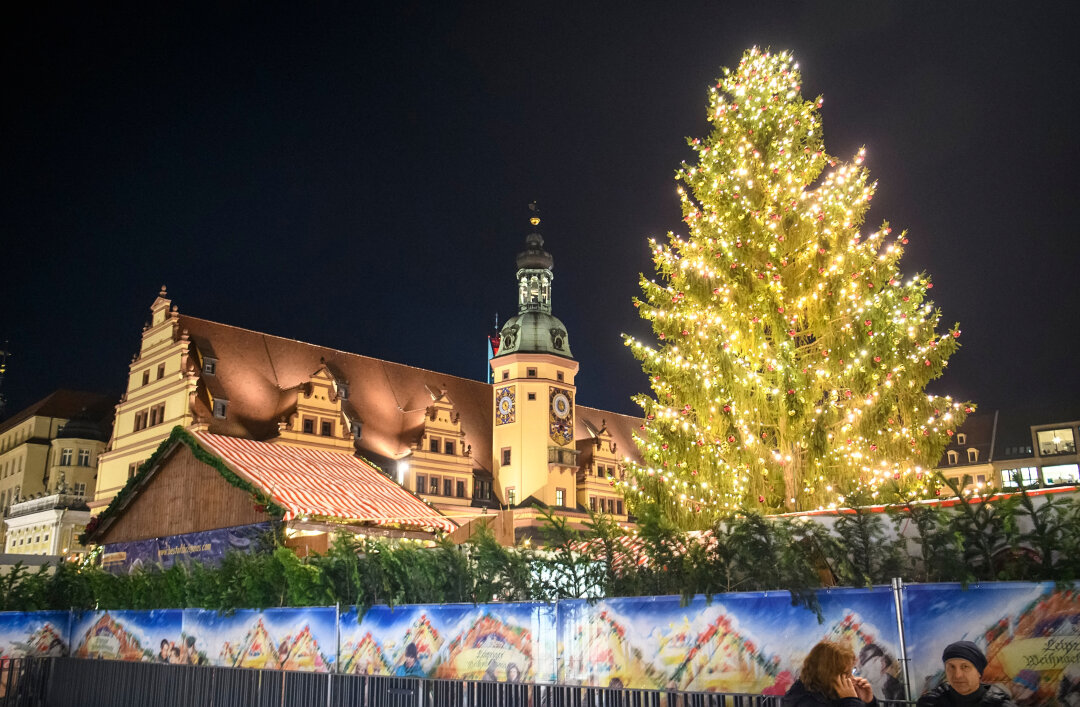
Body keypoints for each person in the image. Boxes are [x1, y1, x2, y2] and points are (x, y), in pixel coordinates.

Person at [916, 641, 1016, 706]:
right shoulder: (930, 703)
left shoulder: (1000, 704)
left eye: (965, 667)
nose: (957, 675)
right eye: (951, 667)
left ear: (978, 672)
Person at [782, 640, 878, 707]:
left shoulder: (827, 694)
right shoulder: (807, 701)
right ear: (827, 674)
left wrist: (868, 702)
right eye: (846, 674)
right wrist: (851, 701)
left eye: (852, 672)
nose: (851, 679)